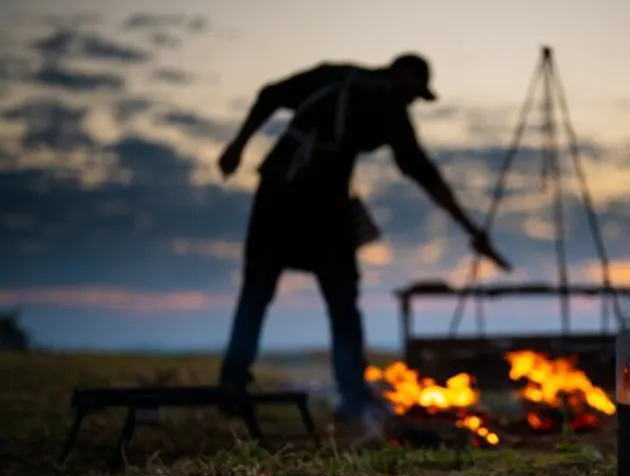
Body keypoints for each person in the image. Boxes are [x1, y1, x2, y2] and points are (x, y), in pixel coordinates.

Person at [214, 53, 512, 433]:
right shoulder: (385, 100)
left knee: (259, 290)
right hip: (313, 200)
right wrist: (470, 228)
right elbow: (421, 169)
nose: (412, 102)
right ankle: (351, 395)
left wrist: (238, 146)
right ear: (402, 75)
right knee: (340, 302)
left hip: (277, 191)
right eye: (415, 93)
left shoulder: (335, 75)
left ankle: (233, 381)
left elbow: (269, 95)